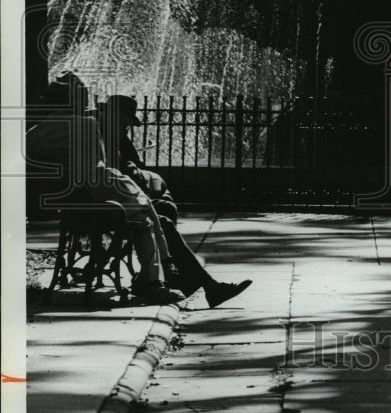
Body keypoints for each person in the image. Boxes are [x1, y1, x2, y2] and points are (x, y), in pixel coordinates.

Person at [27, 73, 251, 309]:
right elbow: (100, 169)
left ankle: (195, 282)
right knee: (149, 217)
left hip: (68, 204)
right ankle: (156, 281)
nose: (126, 129)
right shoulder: (90, 126)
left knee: (153, 212)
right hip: (93, 202)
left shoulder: (35, 133)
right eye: (124, 123)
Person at [97, 95, 178, 221]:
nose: (127, 129)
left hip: (106, 189)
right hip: (118, 191)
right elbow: (128, 169)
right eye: (125, 124)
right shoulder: (113, 138)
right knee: (165, 199)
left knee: (160, 188)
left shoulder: (91, 131)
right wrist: (135, 170)